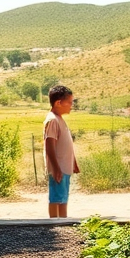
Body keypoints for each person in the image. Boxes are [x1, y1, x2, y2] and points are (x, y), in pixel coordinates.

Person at [44, 84, 79, 218]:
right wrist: (56, 168)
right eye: (69, 102)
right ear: (59, 103)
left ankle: (63, 224)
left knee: (63, 199)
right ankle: (54, 224)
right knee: (56, 198)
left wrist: (73, 162)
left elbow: (65, 143)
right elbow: (49, 145)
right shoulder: (52, 120)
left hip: (65, 167)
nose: (71, 105)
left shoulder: (59, 119)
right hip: (59, 168)